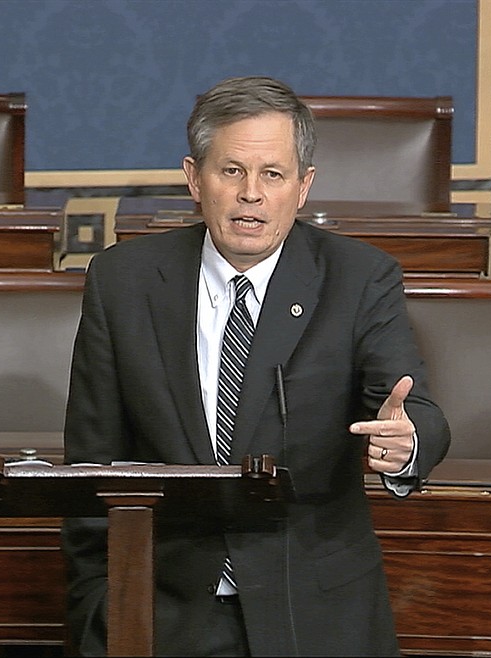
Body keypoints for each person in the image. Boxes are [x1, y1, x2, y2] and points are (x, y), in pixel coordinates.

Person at [61, 75, 451, 656]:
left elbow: (409, 403)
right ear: (195, 179)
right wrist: (97, 603)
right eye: (232, 171)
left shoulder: (359, 278)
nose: (252, 194)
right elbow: (92, 460)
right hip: (163, 609)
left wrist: (408, 443)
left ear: (303, 186)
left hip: (313, 610)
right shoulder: (124, 281)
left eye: (273, 174)